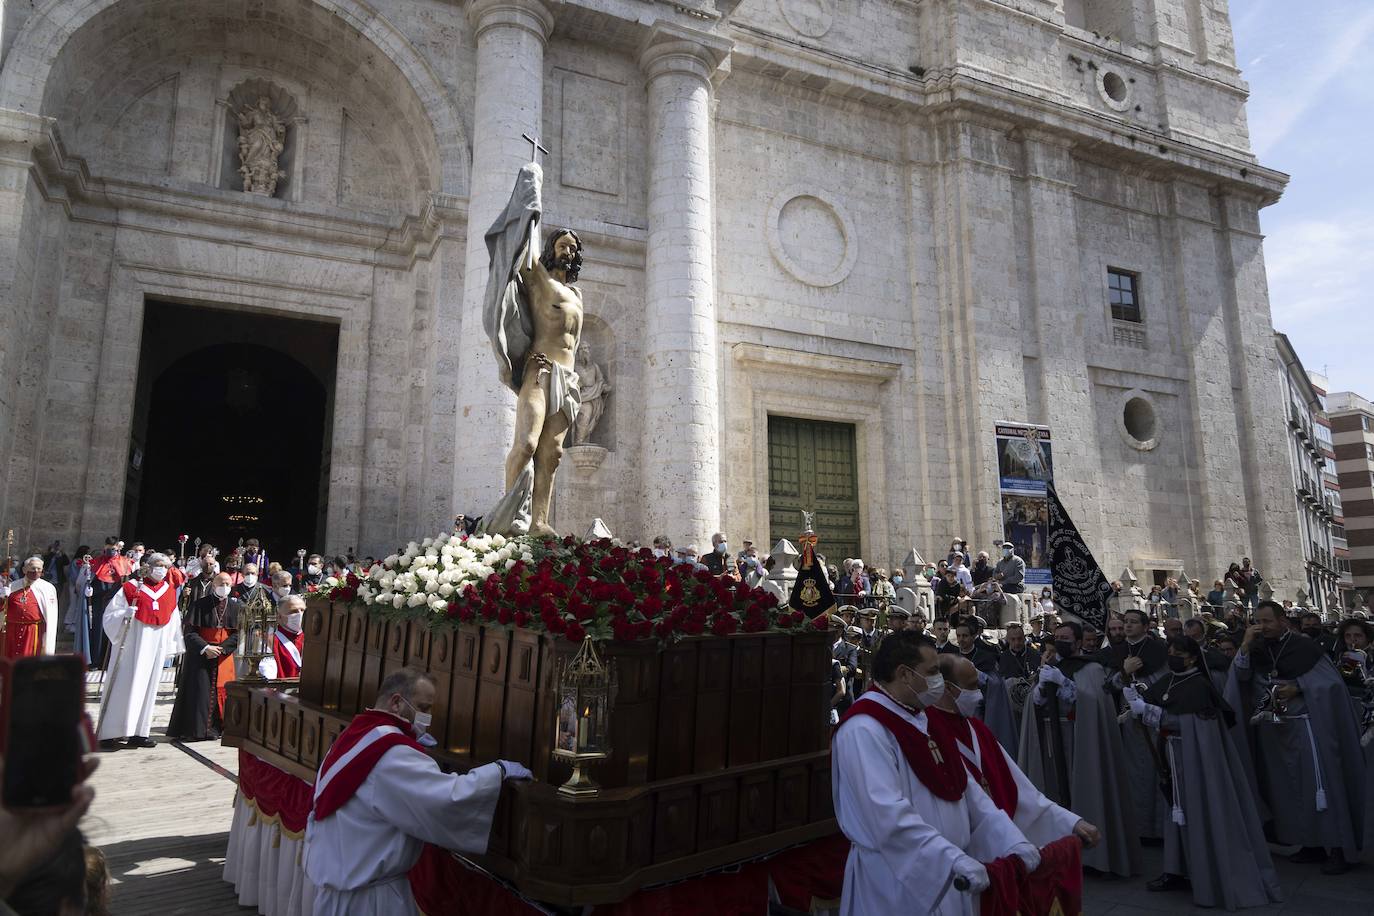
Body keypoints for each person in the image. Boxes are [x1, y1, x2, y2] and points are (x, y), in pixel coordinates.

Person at [830, 631, 1039, 915]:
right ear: (905, 674)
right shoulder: (864, 729)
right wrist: (949, 860)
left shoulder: (924, 718)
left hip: (950, 874)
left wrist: (1012, 840)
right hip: (896, 881)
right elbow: (886, 816)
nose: (938, 682)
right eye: (931, 673)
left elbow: (968, 794)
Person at [304, 668, 532, 914]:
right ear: (396, 703)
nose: (428, 717)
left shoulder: (358, 735)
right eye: (424, 708)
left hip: (335, 896)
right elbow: (446, 799)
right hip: (372, 902)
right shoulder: (393, 753)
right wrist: (496, 772)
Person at [1124, 636, 1283, 906]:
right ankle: (1176, 869)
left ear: (1193, 657)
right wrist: (1138, 703)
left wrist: (1152, 712)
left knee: (1198, 811)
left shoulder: (1199, 685)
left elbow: (1195, 724)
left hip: (1196, 759)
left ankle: (1207, 871)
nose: (1173, 657)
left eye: (1178, 653)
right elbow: (1157, 705)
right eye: (1170, 652)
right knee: (1175, 813)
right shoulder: (1171, 680)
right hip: (1172, 755)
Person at [1226, 600, 1365, 874]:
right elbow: (1240, 676)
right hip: (1273, 729)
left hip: (1307, 729)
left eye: (1266, 621)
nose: (1261, 626)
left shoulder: (1304, 648)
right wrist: (1244, 644)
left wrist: (1300, 686)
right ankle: (1309, 844)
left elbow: (1332, 683)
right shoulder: (1256, 648)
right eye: (1257, 621)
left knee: (1321, 786)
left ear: (1283, 622)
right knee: (1287, 789)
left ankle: (1337, 847)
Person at [929, 655, 1099, 849]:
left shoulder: (977, 729)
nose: (979, 694)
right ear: (948, 688)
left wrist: (1070, 823)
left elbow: (1019, 789)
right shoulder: (928, 733)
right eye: (971, 686)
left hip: (1000, 842)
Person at [1017, 621, 1141, 877]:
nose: (1060, 641)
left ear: (1077, 642)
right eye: (1057, 636)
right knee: (1054, 792)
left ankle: (1093, 857)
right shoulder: (1050, 667)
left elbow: (1093, 702)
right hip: (1053, 738)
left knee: (1085, 789)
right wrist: (1039, 691)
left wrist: (1064, 684)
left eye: (1066, 637)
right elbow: (1034, 703)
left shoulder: (1092, 668)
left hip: (1082, 738)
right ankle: (1056, 849)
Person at [95, 553, 184, 750]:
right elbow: (110, 614)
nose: (161, 569)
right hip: (131, 646)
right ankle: (110, 733)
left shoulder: (169, 591)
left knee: (148, 689)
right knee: (122, 684)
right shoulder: (131, 588)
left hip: (154, 648)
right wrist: (123, 615)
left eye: (165, 566)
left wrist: (171, 646)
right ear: (148, 567)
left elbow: (173, 620)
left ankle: (139, 732)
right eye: (158, 565)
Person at [1101, 608, 1169, 843]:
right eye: (1125, 622)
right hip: (1128, 720)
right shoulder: (1117, 651)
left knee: (1157, 769)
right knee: (1133, 772)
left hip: (1153, 717)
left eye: (1132, 622)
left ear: (1145, 626)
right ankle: (1138, 828)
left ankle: (1161, 828)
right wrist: (1124, 672)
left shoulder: (1158, 650)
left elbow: (1164, 681)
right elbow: (1108, 686)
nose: (1128, 626)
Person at [167, 573, 240, 742]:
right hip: (201, 656)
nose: (225, 586)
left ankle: (218, 728)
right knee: (199, 693)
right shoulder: (199, 605)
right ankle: (198, 730)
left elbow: (238, 633)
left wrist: (222, 648)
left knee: (222, 692)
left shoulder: (236, 607)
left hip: (223, 656)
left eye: (228, 583)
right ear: (214, 585)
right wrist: (206, 647)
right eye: (222, 583)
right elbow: (189, 632)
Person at [88, 538, 134, 668]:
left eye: (113, 548)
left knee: (114, 627)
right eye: (108, 548)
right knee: (98, 628)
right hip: (99, 599)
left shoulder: (125, 562)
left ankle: (110, 660)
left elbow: (127, 580)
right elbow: (88, 578)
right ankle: (95, 659)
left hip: (115, 599)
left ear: (118, 548)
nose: (111, 550)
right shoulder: (96, 562)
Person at [1, 557, 59, 657]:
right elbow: (2, 608)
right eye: (32, 568)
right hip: (12, 630)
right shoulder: (12, 586)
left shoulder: (48, 588)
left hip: (33, 630)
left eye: (39, 569)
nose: (36, 571)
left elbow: (50, 615)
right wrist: (2, 597)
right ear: (24, 570)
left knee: (30, 660)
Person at [260, 595, 307, 679]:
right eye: (293, 611)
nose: (300, 615)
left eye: (302, 610)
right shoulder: (269, 641)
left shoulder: (313, 640)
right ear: (279, 616)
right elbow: (266, 672)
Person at [65, 548, 95, 664]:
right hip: (77, 588)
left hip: (85, 591)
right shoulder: (81, 564)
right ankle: (69, 624)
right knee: (74, 606)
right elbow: (76, 579)